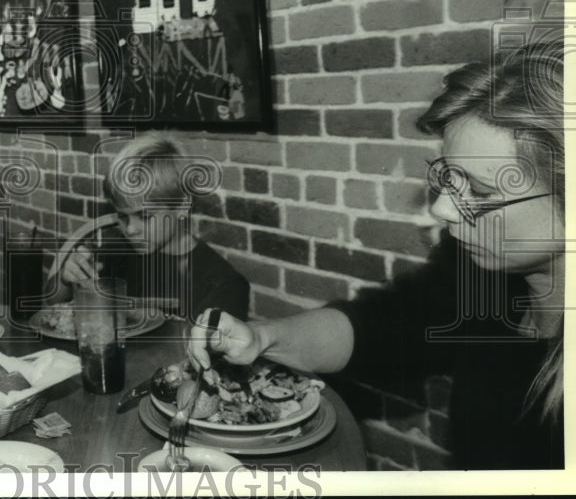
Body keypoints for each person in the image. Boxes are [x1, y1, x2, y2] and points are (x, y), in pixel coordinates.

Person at [188, 38, 564, 469]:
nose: (442, 209)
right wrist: (263, 338)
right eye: (448, 178)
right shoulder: (478, 268)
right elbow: (385, 325)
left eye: (479, 191)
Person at [48, 132, 251, 320]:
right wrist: (65, 281)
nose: (130, 230)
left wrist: (157, 321)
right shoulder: (115, 253)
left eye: (144, 216)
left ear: (181, 207)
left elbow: (210, 355)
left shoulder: (222, 285)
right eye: (123, 216)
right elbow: (49, 304)